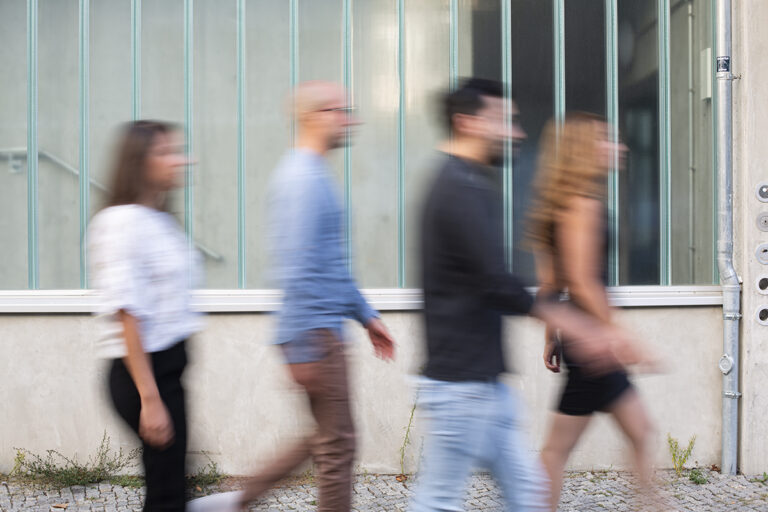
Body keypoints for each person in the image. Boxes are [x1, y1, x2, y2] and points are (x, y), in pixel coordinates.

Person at [410, 79, 640, 512]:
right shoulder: (458, 188)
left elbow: (503, 282)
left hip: (481, 382)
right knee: (439, 501)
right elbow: (495, 281)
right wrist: (572, 323)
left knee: (529, 495)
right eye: (505, 122)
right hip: (461, 384)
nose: (516, 133)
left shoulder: (470, 183)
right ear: (467, 123)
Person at [189, 81, 395, 512]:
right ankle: (236, 501)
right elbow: (296, 266)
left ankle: (236, 502)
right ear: (313, 117)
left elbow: (331, 264)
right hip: (316, 335)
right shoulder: (302, 178)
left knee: (326, 439)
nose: (350, 120)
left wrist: (366, 315)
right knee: (338, 448)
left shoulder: (312, 173)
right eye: (340, 110)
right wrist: (301, 344)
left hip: (321, 330)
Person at [525, 112, 656, 511]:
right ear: (585, 150)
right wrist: (619, 335)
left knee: (639, 432)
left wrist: (553, 336)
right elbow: (582, 281)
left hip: (583, 339)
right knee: (557, 448)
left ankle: (652, 505)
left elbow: (552, 281)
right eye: (607, 140)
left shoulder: (561, 204)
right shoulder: (582, 205)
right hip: (592, 343)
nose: (620, 147)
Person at [89, 120, 201, 512]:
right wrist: (149, 400)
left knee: (170, 489)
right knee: (167, 496)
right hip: (145, 376)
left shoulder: (158, 219)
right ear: (138, 162)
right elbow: (127, 313)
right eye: (165, 153)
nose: (181, 160)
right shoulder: (121, 223)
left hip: (168, 372)